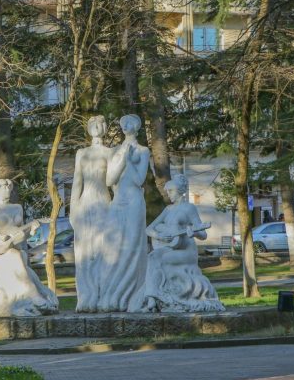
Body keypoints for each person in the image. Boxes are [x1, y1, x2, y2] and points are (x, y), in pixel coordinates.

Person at [0, 179, 58, 317]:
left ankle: (33, 295)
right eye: (4, 188)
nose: (8, 191)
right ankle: (33, 295)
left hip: (16, 246)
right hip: (1, 251)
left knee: (18, 254)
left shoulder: (18, 207)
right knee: (14, 255)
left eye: (9, 188)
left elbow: (21, 232)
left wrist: (32, 230)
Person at [142, 174, 225, 313]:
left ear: (181, 190)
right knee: (152, 256)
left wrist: (195, 233)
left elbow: (203, 235)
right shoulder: (168, 209)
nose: (169, 195)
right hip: (171, 248)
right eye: (168, 192)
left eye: (171, 191)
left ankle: (152, 298)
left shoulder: (189, 208)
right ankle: (152, 297)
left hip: (186, 251)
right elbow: (148, 229)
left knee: (157, 259)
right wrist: (160, 235)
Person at [98, 114, 149, 313]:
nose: (126, 125)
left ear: (137, 127)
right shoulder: (115, 151)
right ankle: (112, 294)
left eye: (130, 123)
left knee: (133, 245)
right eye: (123, 123)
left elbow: (139, 180)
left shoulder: (143, 151)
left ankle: (133, 294)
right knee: (113, 246)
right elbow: (110, 180)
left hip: (134, 200)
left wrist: (129, 160)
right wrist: (122, 161)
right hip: (118, 201)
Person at [70, 115, 114, 312]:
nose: (96, 128)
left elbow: (114, 182)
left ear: (105, 128)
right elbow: (77, 182)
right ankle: (86, 298)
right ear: (88, 129)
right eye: (92, 125)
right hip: (85, 204)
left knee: (103, 249)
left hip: (104, 203)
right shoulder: (81, 153)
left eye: (100, 124)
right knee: (85, 252)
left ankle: (104, 294)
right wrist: (73, 209)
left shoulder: (110, 152)